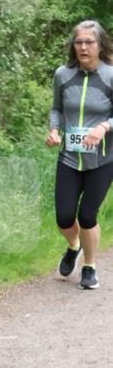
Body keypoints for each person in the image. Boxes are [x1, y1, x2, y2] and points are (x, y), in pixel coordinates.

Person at [46, 19, 113, 289]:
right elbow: (56, 108)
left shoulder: (110, 75)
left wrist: (104, 126)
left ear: (100, 45)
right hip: (70, 158)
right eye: (79, 42)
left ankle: (89, 267)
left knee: (87, 216)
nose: (83, 47)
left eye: (89, 42)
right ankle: (74, 246)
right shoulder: (63, 74)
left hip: (103, 160)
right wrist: (54, 130)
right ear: (73, 46)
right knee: (64, 217)